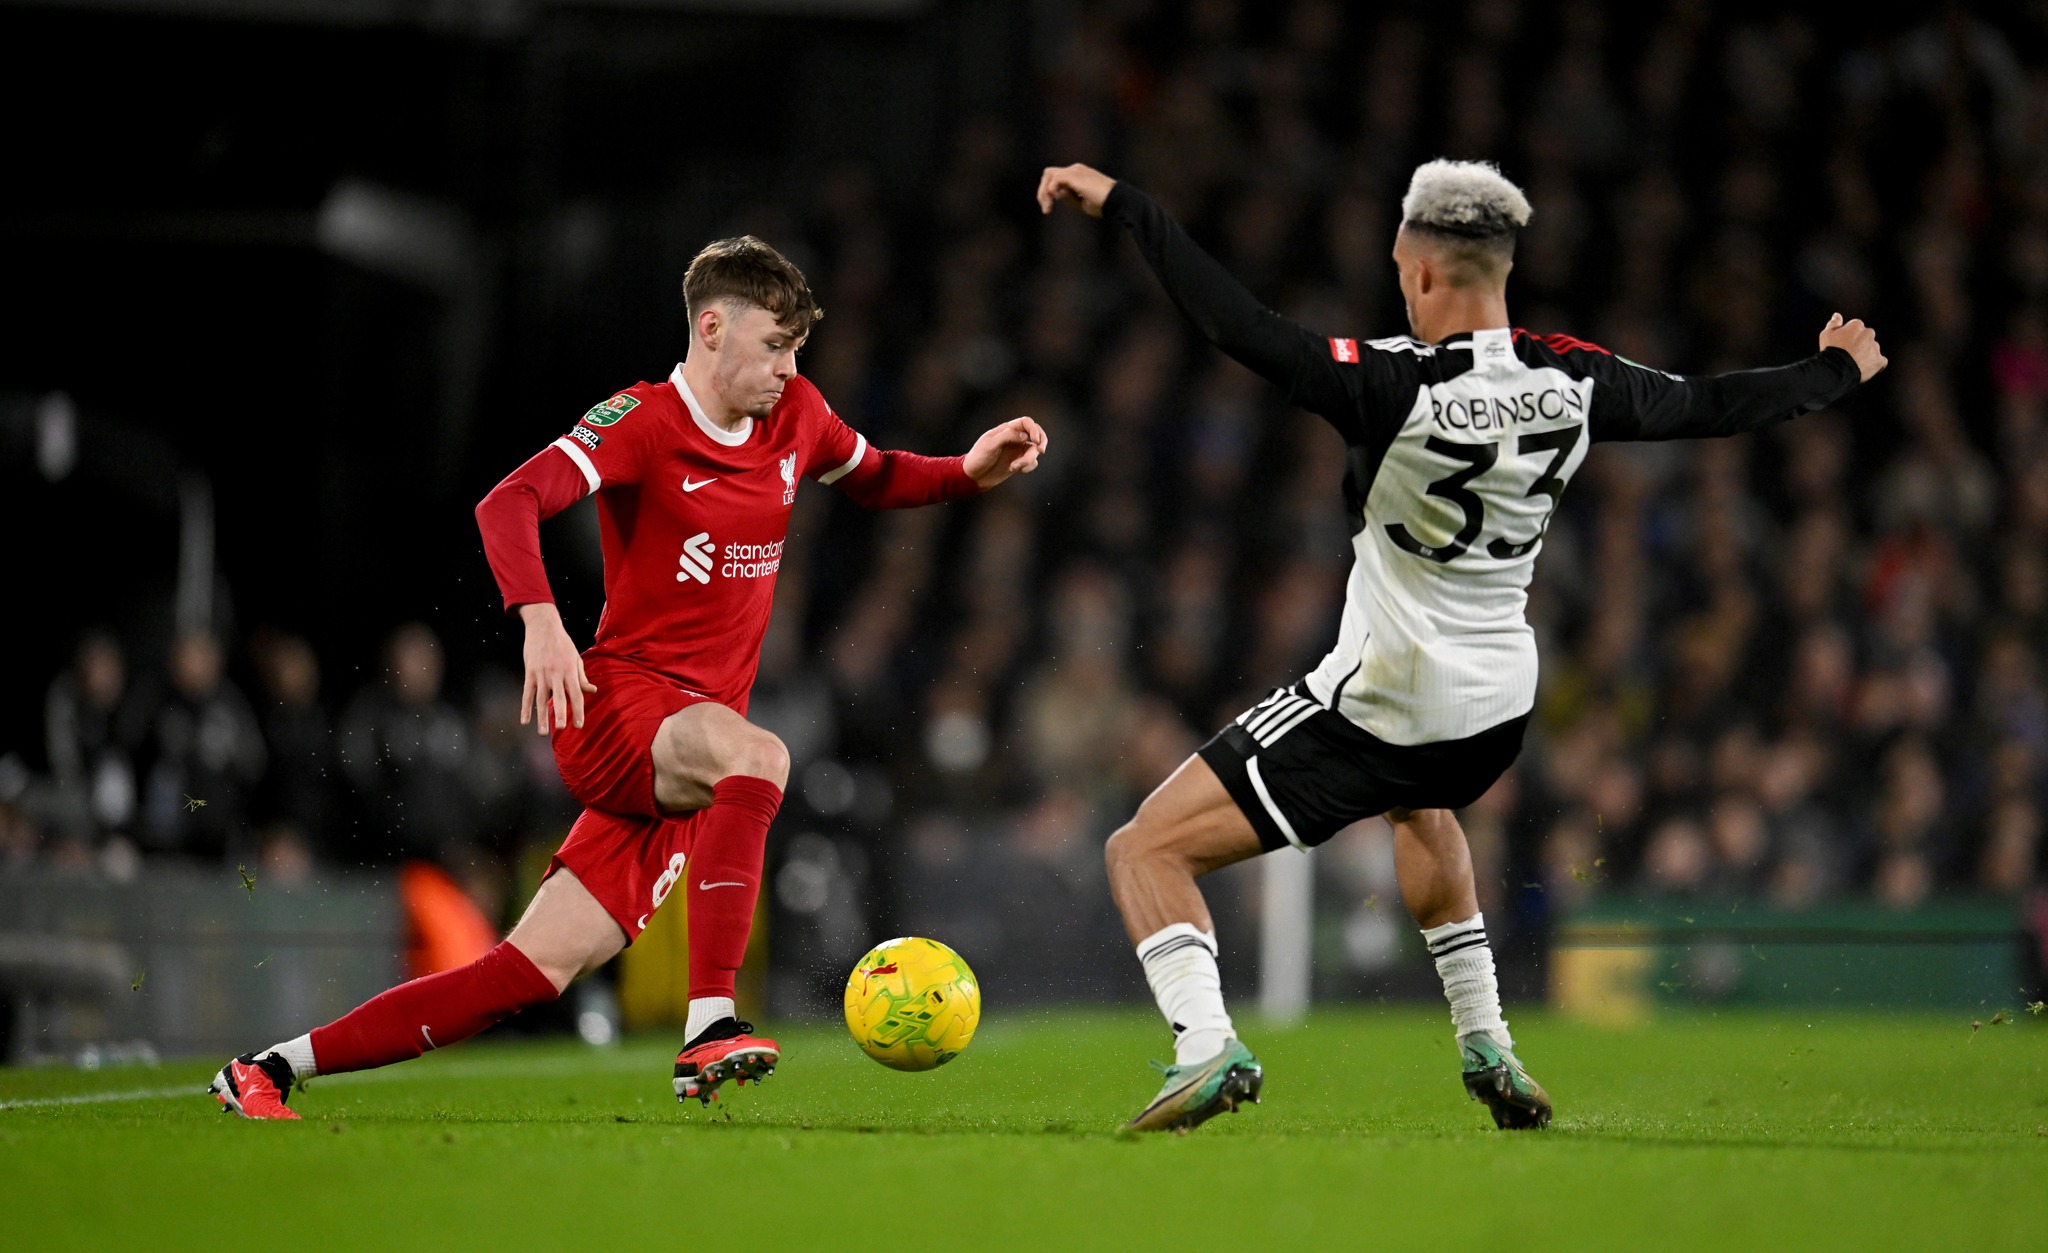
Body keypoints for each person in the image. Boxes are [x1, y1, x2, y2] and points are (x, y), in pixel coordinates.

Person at [1037, 159, 1885, 1132]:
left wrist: (1128, 204)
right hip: (1494, 708)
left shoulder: (1388, 384)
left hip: (1380, 697)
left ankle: (1203, 1046)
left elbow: (1237, 326)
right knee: (1421, 802)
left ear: (1423, 273)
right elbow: (1709, 403)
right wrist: (1834, 369)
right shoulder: (1574, 377)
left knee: (1142, 847)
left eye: (1401, 267)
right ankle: (1487, 1039)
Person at [208, 234, 1046, 1119]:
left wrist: (965, 472)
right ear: (712, 328)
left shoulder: (796, 412)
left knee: (521, 975)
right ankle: (712, 1022)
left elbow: (874, 473)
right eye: (774, 345)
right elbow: (510, 502)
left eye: (797, 348)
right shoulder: (641, 422)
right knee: (760, 757)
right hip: (620, 707)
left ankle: (270, 1067)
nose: (789, 366)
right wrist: (539, 619)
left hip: (688, 749)